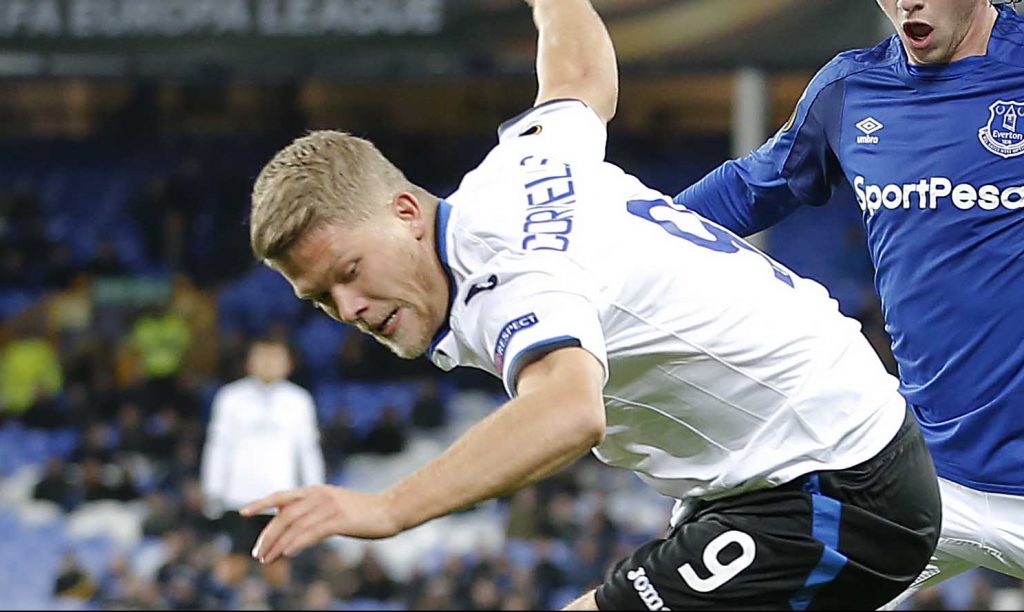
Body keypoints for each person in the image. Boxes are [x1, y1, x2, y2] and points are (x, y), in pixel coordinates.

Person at [241, 0, 942, 609]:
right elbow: (579, 78)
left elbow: (568, 411)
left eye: (350, 271)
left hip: (832, 486)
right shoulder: (520, 164)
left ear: (404, 212)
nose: (349, 307)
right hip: (793, 464)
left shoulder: (506, 274)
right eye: (320, 297)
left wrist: (388, 508)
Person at [672, 0, 1024, 601]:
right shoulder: (851, 90)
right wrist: (622, 241)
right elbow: (750, 189)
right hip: (924, 484)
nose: (906, 3)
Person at [199, 335, 325, 604]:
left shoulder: (298, 400)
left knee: (278, 565)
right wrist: (212, 490)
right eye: (262, 357)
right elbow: (218, 446)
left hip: (281, 498)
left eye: (275, 357)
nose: (268, 363)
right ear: (249, 362)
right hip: (238, 498)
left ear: (288, 363)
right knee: (232, 565)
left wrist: (315, 492)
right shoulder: (231, 398)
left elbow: (308, 450)